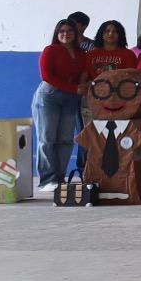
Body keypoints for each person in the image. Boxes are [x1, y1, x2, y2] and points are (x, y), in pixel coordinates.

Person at [32, 16, 87, 186]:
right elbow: (47, 76)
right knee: (47, 139)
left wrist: (83, 85)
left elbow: (83, 73)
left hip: (70, 99)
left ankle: (59, 177)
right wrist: (75, 89)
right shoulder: (50, 50)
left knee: (65, 140)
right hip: (49, 97)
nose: (66, 34)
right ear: (57, 33)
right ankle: (47, 180)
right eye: (62, 31)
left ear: (76, 33)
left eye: (70, 31)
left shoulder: (81, 53)